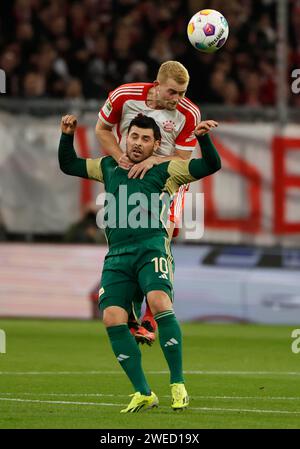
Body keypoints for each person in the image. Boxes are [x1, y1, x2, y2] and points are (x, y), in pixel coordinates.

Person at [59, 113, 221, 413]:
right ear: (125, 138)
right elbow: (69, 164)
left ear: (156, 144)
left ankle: (177, 384)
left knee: (159, 303)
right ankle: (143, 392)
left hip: (151, 249)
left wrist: (203, 138)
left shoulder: (168, 170)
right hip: (118, 255)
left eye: (146, 139)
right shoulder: (109, 166)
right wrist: (67, 135)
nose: (137, 143)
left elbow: (211, 165)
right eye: (134, 136)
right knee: (111, 318)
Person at [95, 60, 203, 343]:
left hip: (168, 181)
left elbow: (182, 159)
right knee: (126, 240)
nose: (177, 99)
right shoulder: (124, 96)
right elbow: (102, 130)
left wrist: (156, 159)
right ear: (157, 84)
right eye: (172, 92)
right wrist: (120, 156)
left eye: (181, 93)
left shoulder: (188, 114)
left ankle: (151, 318)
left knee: (160, 240)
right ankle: (130, 310)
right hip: (130, 180)